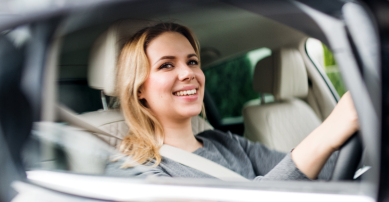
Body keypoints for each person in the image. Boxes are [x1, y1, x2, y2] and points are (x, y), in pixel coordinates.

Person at [108, 22, 359, 181]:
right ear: (139, 89)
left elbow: (321, 170)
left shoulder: (226, 143)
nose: (188, 73)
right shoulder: (136, 170)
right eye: (167, 65)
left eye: (192, 61)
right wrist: (328, 132)